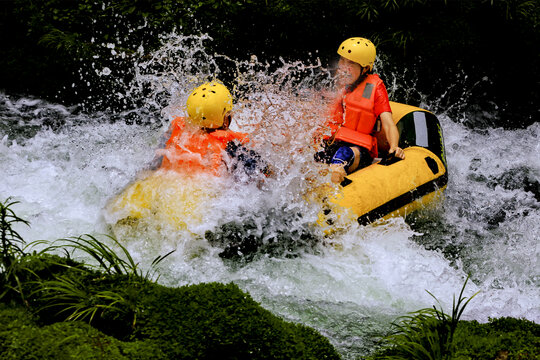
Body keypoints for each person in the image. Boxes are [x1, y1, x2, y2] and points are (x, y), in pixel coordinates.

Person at [315, 37, 405, 184]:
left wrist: (394, 147)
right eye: (343, 60)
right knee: (307, 154)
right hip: (337, 141)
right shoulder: (341, 84)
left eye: (351, 63)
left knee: (342, 155)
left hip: (359, 149)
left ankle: (333, 196)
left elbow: (388, 123)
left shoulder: (375, 88)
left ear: (365, 68)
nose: (344, 67)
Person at [154, 81, 268, 180]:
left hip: (158, 183)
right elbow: (260, 175)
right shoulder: (231, 146)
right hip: (200, 196)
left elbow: (157, 160)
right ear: (225, 120)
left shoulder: (175, 130)